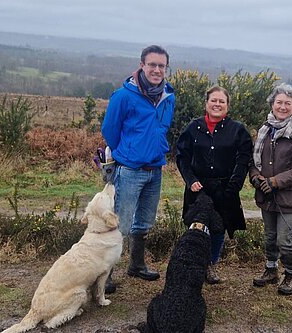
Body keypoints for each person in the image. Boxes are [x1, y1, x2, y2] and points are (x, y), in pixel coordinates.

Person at [101, 45, 175, 293]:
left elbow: (161, 129)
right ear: (142, 65)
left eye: (161, 66)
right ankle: (106, 274)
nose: (156, 70)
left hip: (155, 169)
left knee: (144, 222)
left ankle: (136, 265)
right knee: (119, 223)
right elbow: (109, 131)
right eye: (152, 64)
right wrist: (127, 153)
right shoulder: (123, 96)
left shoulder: (168, 96)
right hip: (130, 170)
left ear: (166, 68)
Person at [176, 85, 252, 284]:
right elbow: (182, 157)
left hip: (224, 189)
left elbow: (243, 160)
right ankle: (192, 264)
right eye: (213, 100)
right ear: (206, 103)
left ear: (228, 106)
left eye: (222, 101)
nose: (217, 104)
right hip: (197, 188)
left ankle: (210, 265)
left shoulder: (238, 130)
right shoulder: (193, 127)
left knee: (218, 228)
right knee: (195, 227)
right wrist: (190, 180)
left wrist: (233, 187)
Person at [250, 83, 292, 295]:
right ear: (272, 104)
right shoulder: (265, 130)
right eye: (279, 102)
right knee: (269, 236)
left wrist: (276, 181)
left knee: (283, 239)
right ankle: (271, 270)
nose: (283, 107)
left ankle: (291, 274)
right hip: (266, 195)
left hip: (290, 198)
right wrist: (255, 177)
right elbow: (254, 161)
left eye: (288, 103)